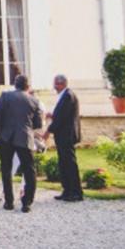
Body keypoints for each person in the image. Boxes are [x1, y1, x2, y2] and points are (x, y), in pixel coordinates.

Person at [0, 74, 43, 212]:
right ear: (27, 86)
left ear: (15, 84)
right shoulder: (34, 100)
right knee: (29, 170)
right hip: (24, 136)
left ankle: (9, 202)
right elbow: (38, 123)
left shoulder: (5, 96)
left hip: (6, 137)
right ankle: (27, 202)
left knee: (6, 169)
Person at [43, 74, 82, 202]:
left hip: (67, 135)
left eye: (57, 84)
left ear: (63, 84)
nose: (55, 86)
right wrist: (53, 115)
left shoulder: (68, 96)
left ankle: (75, 192)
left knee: (69, 163)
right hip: (63, 135)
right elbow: (60, 115)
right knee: (63, 163)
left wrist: (48, 131)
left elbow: (62, 118)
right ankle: (67, 190)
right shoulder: (65, 96)